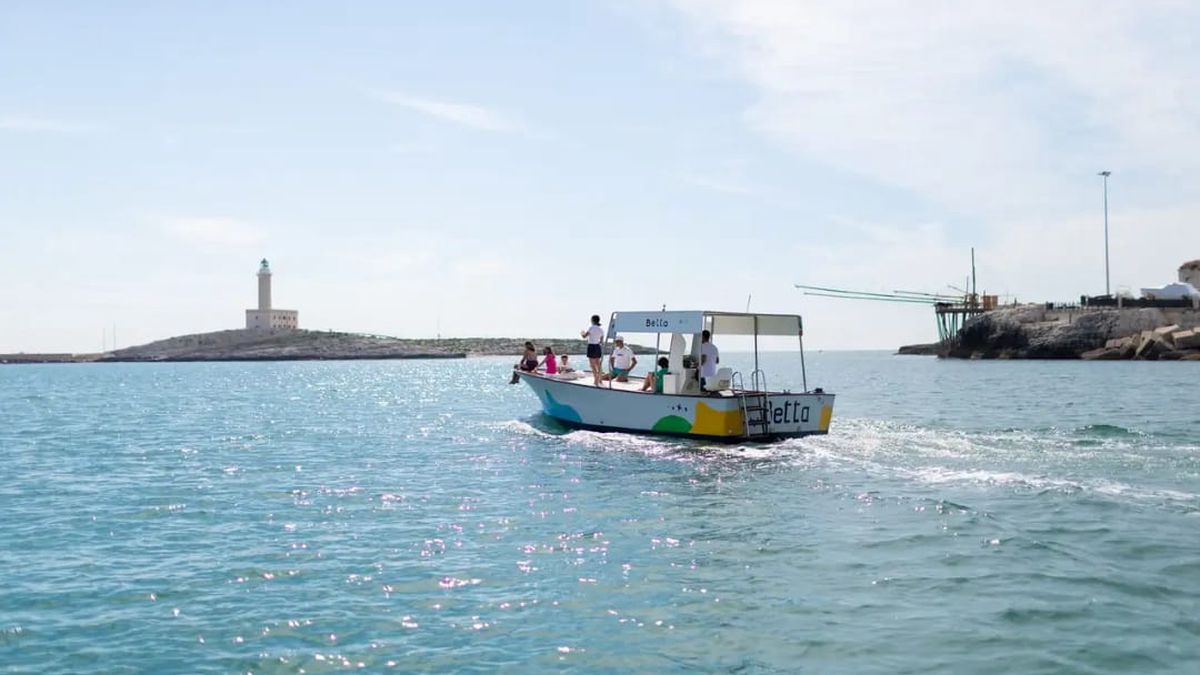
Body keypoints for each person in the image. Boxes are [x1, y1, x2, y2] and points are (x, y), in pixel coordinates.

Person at [581, 314, 604, 385]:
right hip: (597, 346)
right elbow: (601, 341)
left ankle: (596, 380)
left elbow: (584, 336)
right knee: (598, 364)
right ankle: (600, 379)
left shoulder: (591, 328)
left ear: (592, 320)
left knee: (592, 365)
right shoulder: (601, 329)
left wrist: (582, 333)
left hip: (591, 346)